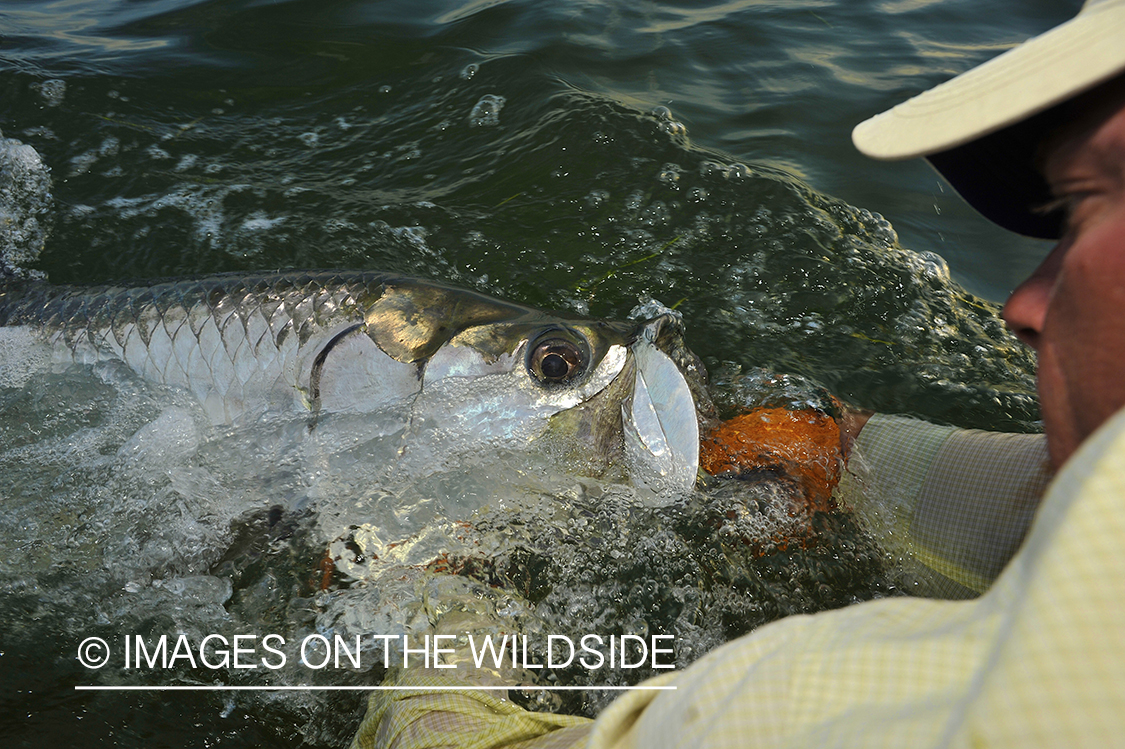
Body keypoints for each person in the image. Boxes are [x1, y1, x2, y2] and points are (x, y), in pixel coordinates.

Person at [351, 1, 1125, 745]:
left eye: (1090, 203)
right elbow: (1034, 505)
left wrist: (443, 597)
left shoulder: (876, 703)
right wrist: (831, 449)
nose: (1021, 302)